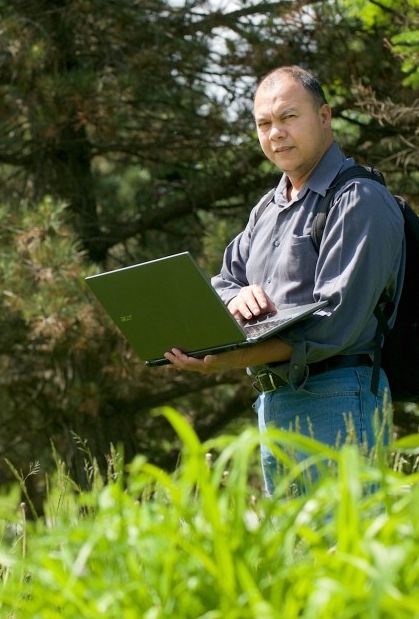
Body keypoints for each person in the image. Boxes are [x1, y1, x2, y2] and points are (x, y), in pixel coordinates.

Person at [164, 66, 405, 494]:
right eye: (264, 123)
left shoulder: (358, 199)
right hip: (274, 402)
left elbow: (336, 324)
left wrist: (229, 360)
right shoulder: (268, 209)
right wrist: (237, 297)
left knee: (341, 554)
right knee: (296, 558)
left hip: (339, 396)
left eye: (289, 117)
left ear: (325, 117)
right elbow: (223, 282)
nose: (276, 133)